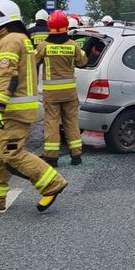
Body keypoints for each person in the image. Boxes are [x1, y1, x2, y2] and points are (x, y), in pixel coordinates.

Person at [0, 0, 68, 213]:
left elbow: (7, 77)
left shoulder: (11, 41)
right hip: (5, 111)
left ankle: (52, 184)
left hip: (10, 111)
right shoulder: (15, 39)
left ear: (1, 19)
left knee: (11, 153)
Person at [36, 9, 89, 166]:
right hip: (69, 93)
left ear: (49, 26)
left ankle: (51, 157)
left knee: (51, 122)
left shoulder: (43, 46)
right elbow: (83, 62)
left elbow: (33, 63)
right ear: (66, 26)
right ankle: (76, 156)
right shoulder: (73, 46)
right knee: (71, 122)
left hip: (51, 94)